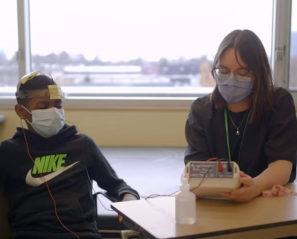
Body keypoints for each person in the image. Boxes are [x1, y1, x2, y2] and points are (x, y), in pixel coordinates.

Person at [0, 72, 140, 239]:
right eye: (42, 107)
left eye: (58, 105)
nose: (53, 112)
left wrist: (129, 200)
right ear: (21, 111)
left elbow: (118, 186)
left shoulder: (83, 144)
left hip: (82, 234)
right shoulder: (8, 152)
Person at [184, 29, 297, 203]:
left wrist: (256, 186)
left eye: (242, 73)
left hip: (266, 202)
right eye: (223, 71)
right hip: (217, 205)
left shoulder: (278, 103)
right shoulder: (201, 111)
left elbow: (282, 165)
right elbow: (194, 172)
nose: (231, 79)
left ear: (258, 73)